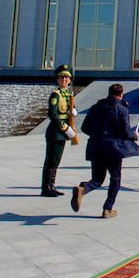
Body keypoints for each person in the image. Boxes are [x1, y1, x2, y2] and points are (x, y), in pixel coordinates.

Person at [71, 84, 139, 218]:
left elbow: (85, 128)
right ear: (121, 94)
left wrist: (97, 134)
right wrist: (134, 135)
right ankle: (107, 208)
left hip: (95, 146)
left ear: (108, 93)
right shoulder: (122, 109)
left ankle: (83, 189)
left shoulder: (95, 107)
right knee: (115, 178)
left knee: (97, 179)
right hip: (113, 148)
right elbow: (125, 132)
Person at [41, 64, 78, 197]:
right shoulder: (56, 95)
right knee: (51, 160)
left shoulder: (68, 94)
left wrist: (74, 111)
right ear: (57, 80)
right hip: (56, 131)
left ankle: (51, 185)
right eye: (61, 78)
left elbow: (71, 108)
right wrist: (65, 127)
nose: (64, 80)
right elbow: (53, 114)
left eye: (66, 78)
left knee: (56, 160)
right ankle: (46, 187)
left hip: (62, 132)